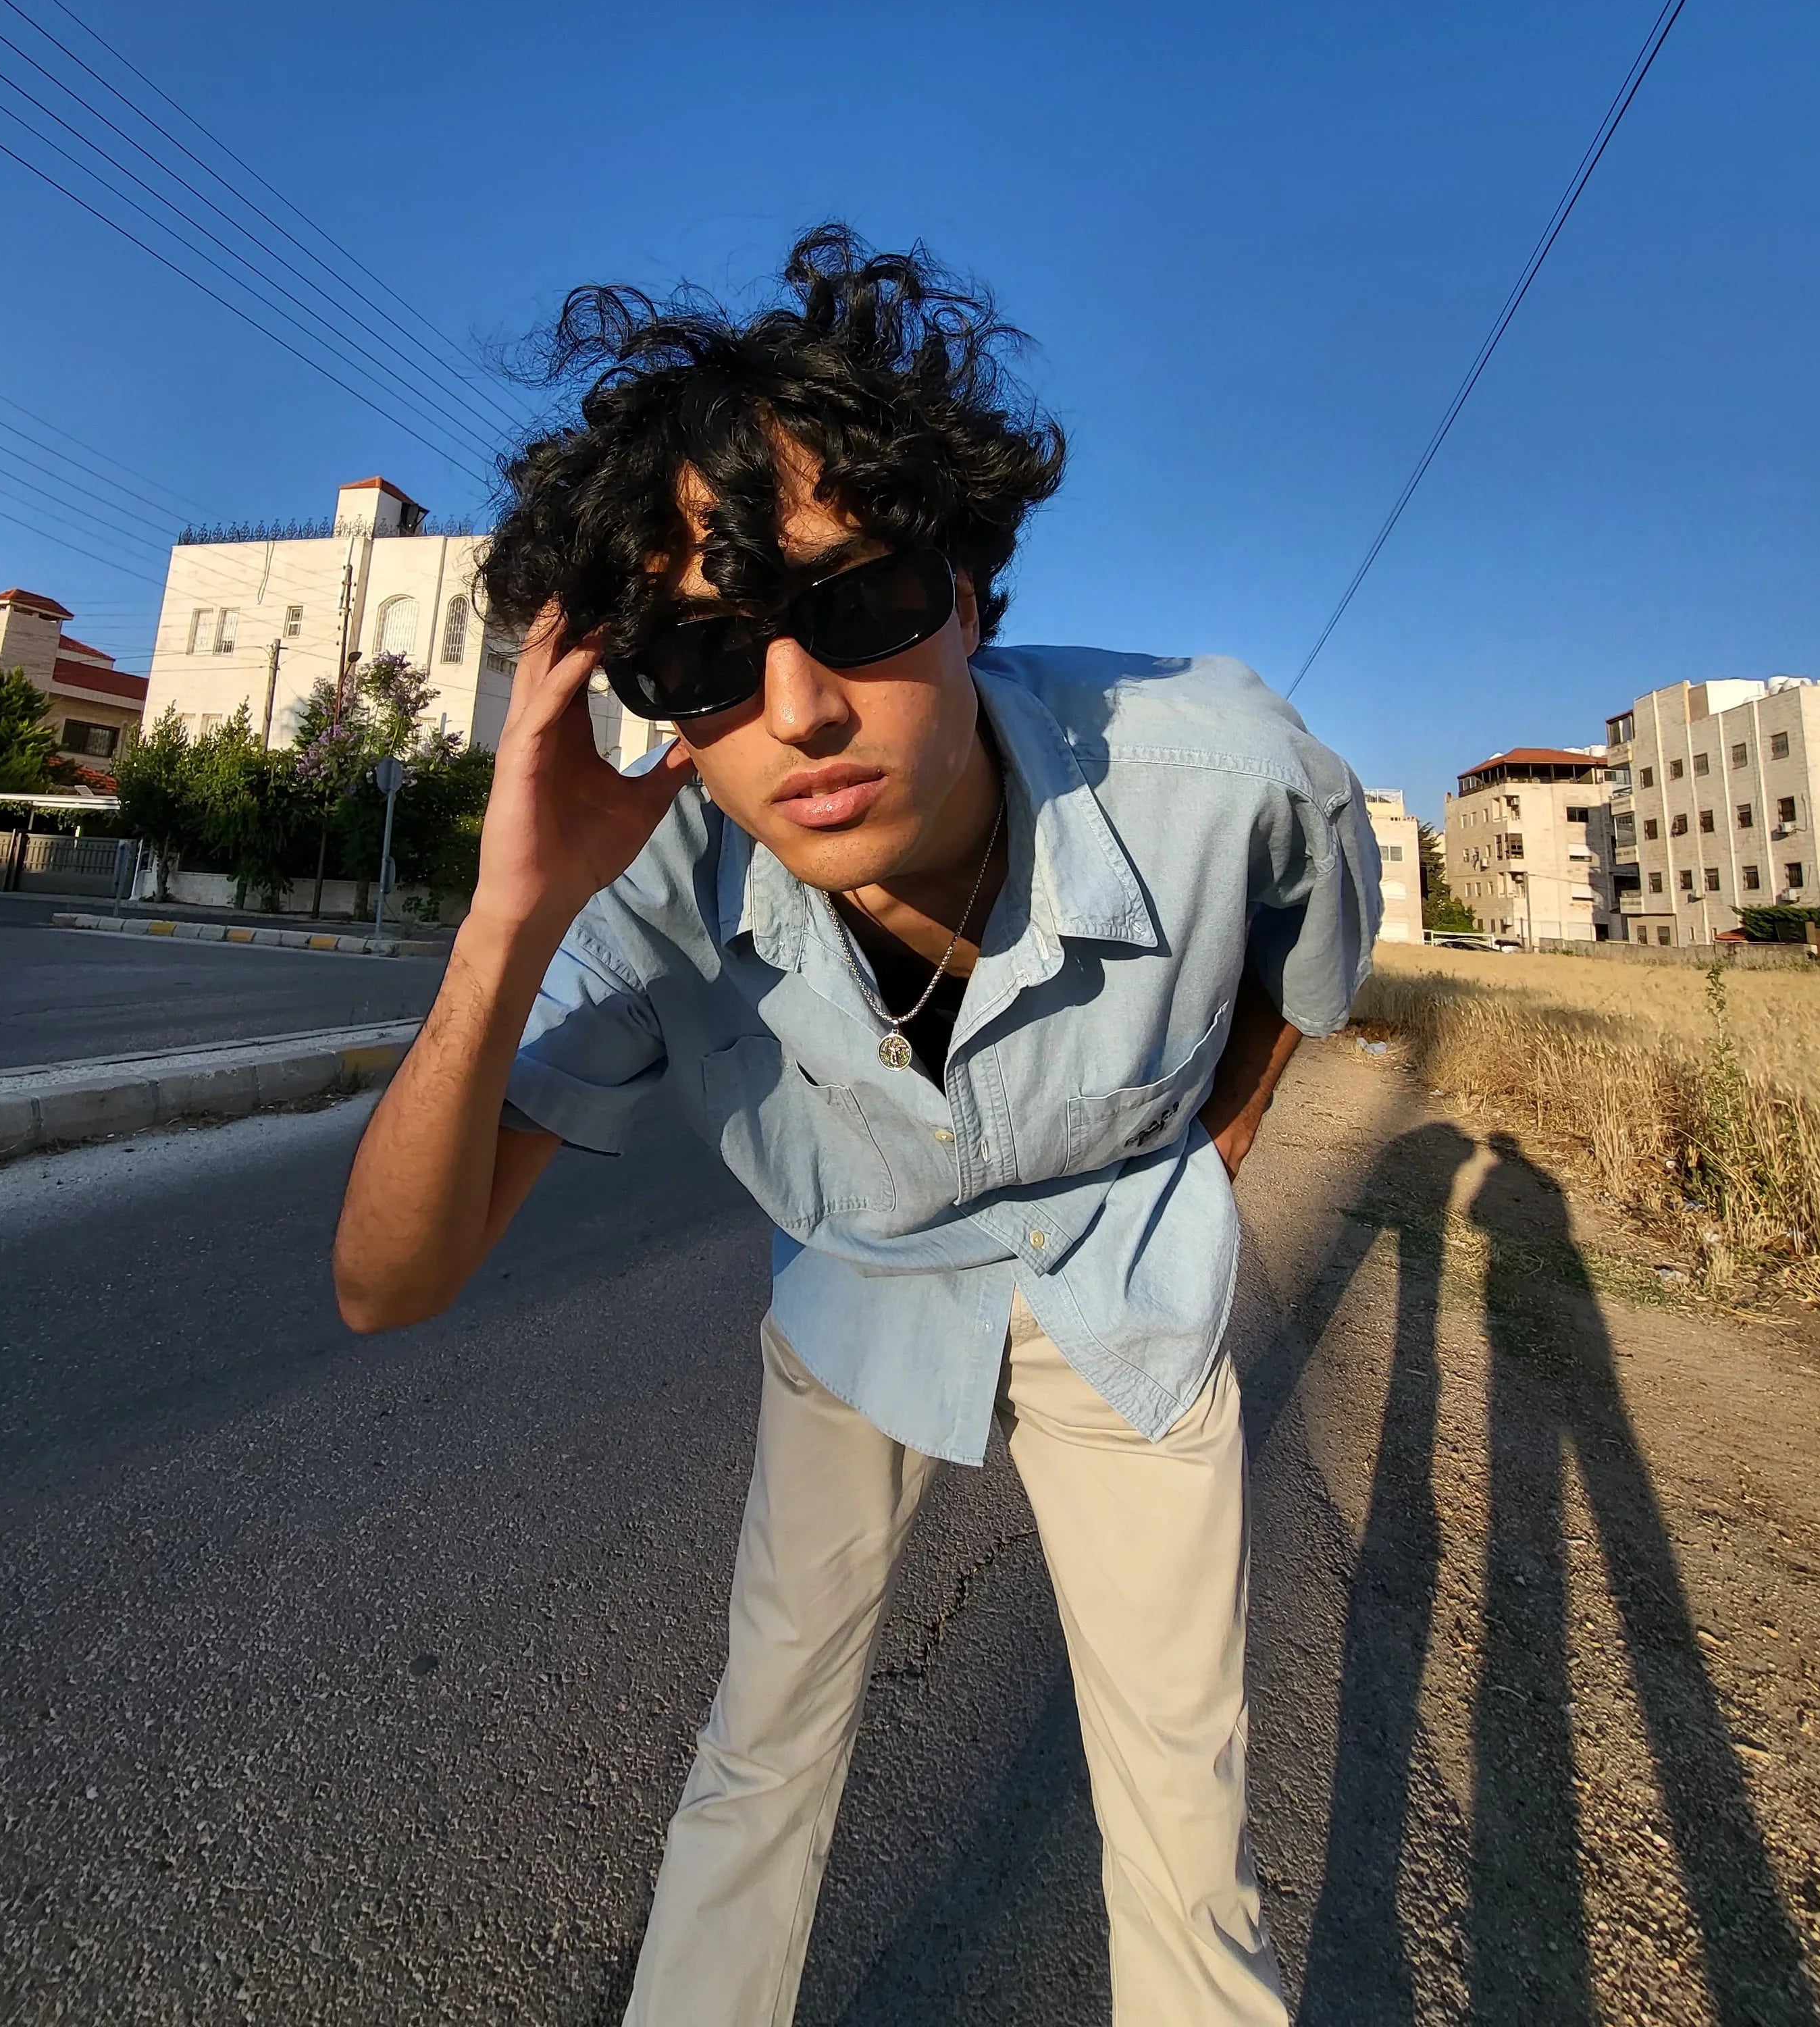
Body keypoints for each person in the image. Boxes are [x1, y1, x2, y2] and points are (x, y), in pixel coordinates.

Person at [332, 228, 1380, 2026]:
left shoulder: (1220, 771)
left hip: (1122, 1294)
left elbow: (1310, 937)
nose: (800, 708)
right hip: (859, 1297)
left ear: (971, 588)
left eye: (868, 604)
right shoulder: (648, 878)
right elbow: (386, 1284)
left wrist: (1221, 1133)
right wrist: (507, 917)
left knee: (1185, 1820)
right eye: (704, 654)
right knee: (764, 1745)